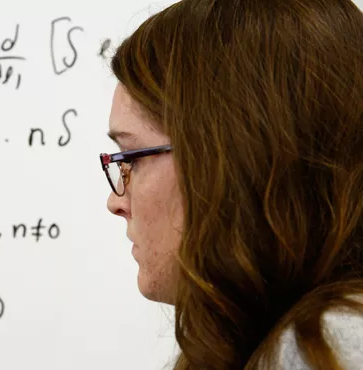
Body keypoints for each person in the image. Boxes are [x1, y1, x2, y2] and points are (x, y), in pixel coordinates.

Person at [99, 0, 363, 368]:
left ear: (237, 159)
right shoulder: (271, 341)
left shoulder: (323, 346)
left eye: (131, 158)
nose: (116, 201)